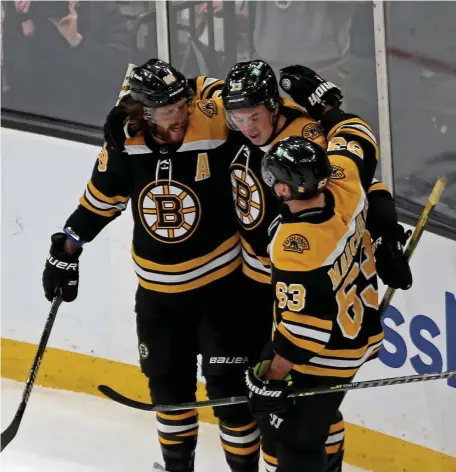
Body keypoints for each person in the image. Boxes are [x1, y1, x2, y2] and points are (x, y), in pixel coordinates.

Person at [41, 59, 262, 472]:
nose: (177, 116)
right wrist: (66, 250)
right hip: (159, 299)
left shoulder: (214, 121)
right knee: (169, 393)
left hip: (224, 290)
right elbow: (100, 201)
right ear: (143, 111)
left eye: (181, 105)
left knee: (231, 396)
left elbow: (228, 91)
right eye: (166, 110)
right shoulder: (126, 141)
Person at [244, 87, 387, 471]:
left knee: (296, 443)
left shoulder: (298, 247)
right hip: (358, 328)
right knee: (310, 427)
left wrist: (272, 376)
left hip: (326, 354)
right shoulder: (346, 179)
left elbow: (306, 331)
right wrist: (325, 106)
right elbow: (356, 132)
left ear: (284, 188)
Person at [2, 0, 129, 125]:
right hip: (36, 113)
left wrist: (77, 41)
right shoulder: (27, 9)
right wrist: (26, 28)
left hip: (89, 117)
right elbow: (16, 78)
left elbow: (116, 72)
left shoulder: (102, 9)